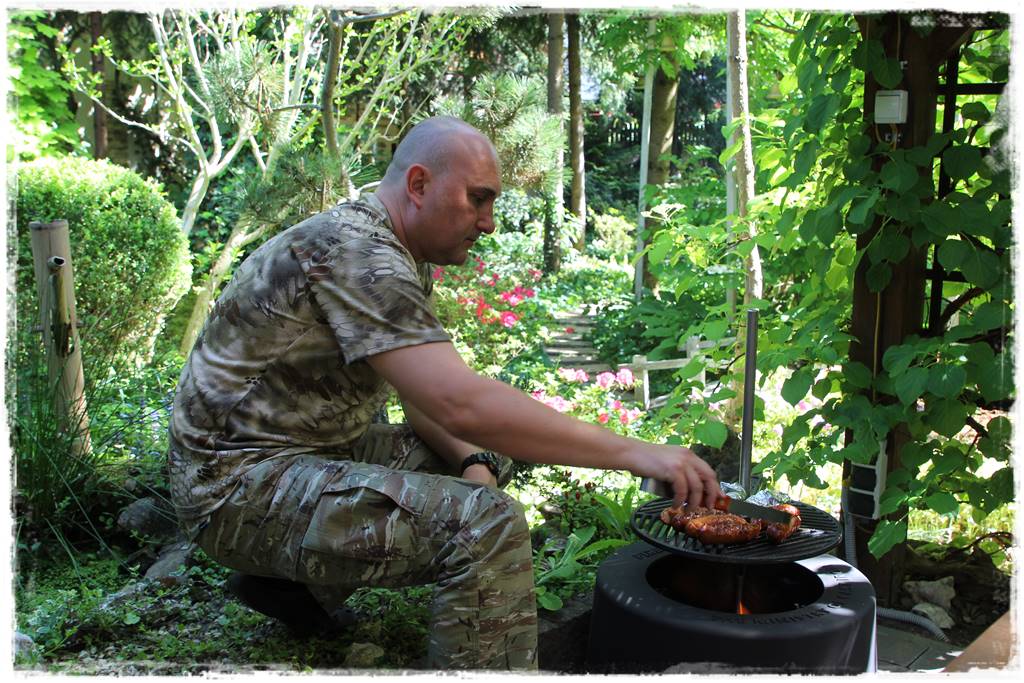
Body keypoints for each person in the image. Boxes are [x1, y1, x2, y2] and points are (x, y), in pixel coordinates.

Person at [168, 115, 722, 670]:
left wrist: (475, 462)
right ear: (418, 185)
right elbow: (460, 402)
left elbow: (426, 398)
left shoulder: (392, 250)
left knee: (483, 452)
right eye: (478, 199)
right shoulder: (358, 252)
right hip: (232, 485)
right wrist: (635, 452)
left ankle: (294, 591)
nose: (489, 223)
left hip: (303, 456)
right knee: (488, 526)